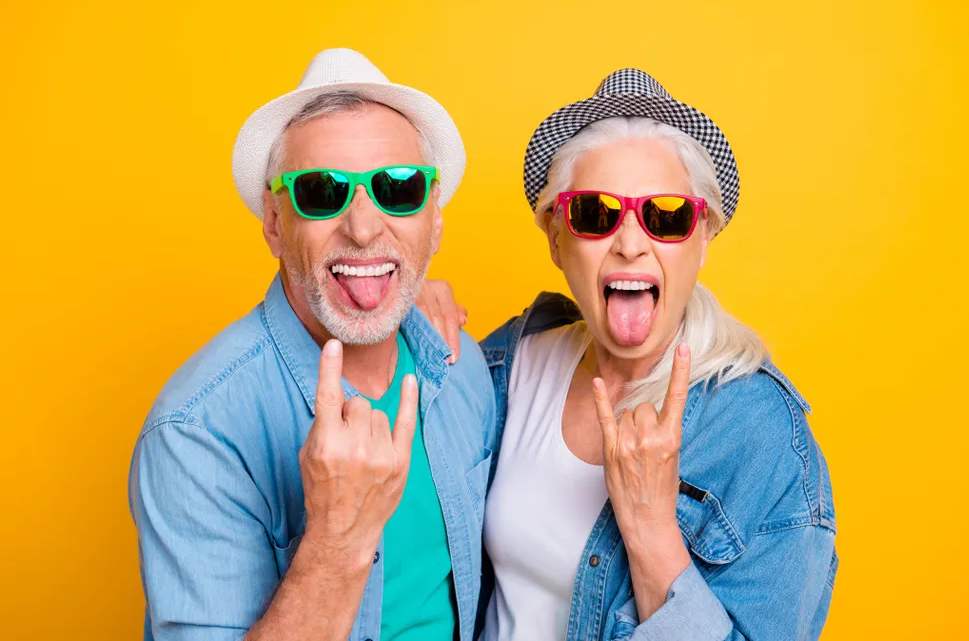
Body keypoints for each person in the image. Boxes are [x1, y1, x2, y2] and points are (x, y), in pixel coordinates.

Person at [419, 69, 837, 639]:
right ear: (556, 238)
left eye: (666, 216)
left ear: (703, 236)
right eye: (596, 213)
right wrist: (403, 307)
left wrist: (650, 530)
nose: (631, 243)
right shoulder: (508, 366)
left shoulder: (761, 436)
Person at [128, 48, 496, 641]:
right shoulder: (196, 430)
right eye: (322, 192)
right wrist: (337, 537)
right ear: (275, 223)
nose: (363, 227)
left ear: (433, 224)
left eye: (397, 189)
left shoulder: (466, 370)